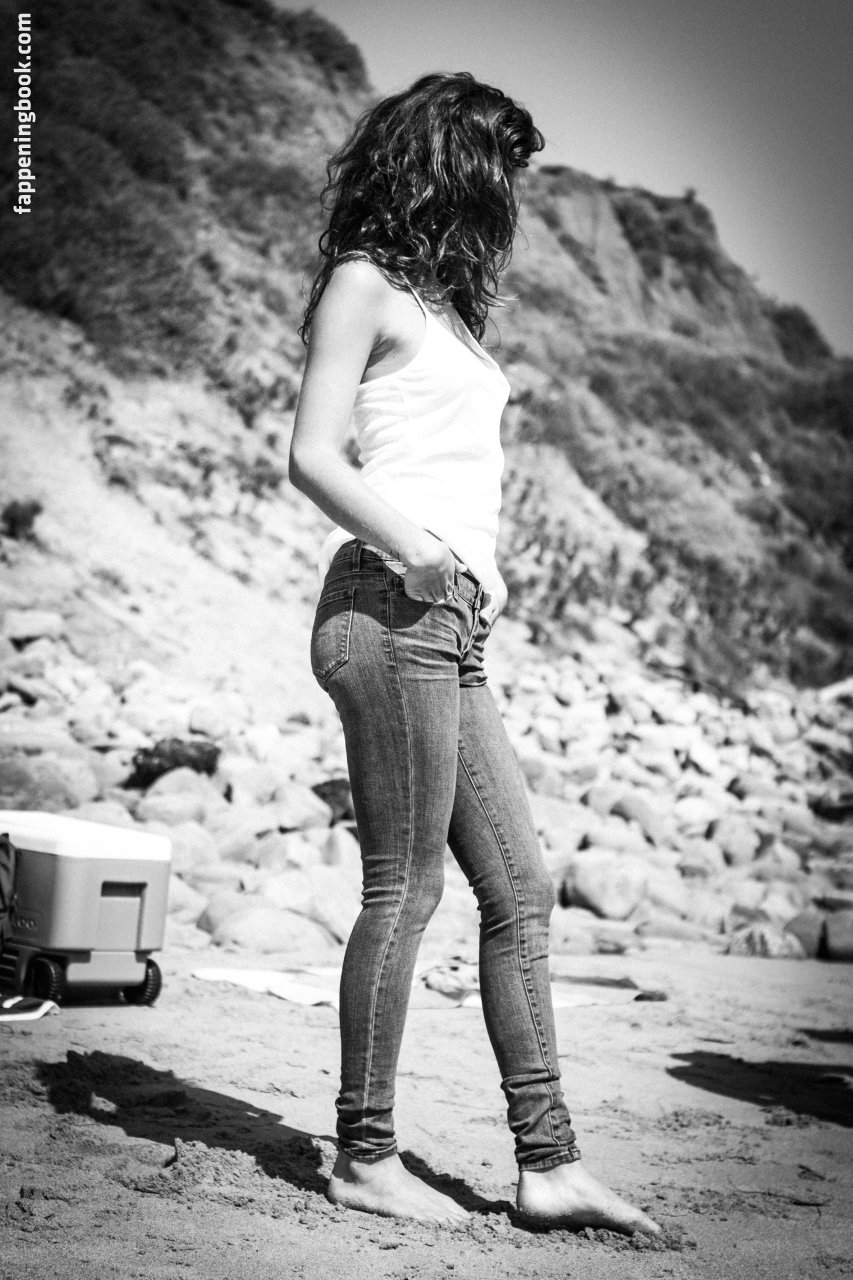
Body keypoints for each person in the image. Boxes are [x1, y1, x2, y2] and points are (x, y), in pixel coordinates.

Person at [289, 71, 659, 1236]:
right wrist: (420, 551)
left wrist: (463, 580)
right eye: (504, 168)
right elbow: (311, 453)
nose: (513, 195)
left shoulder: (444, 304)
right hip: (389, 603)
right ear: (454, 164)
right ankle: (363, 1152)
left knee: (521, 888)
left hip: (451, 628)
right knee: (406, 885)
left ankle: (549, 1164)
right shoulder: (363, 280)